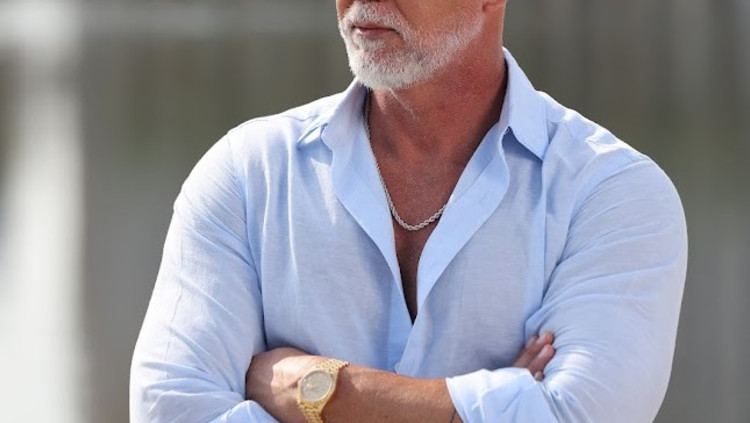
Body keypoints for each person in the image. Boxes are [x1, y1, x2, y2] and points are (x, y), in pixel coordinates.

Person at [130, 0, 688, 422]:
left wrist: (313, 389)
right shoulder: (248, 174)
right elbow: (169, 407)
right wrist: (486, 405)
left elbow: (577, 414)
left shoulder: (612, 193)